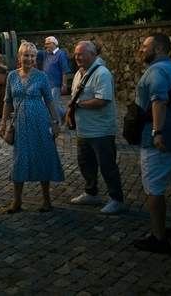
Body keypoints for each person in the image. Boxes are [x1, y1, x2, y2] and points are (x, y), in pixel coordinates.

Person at [132, 32, 171, 254]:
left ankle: (159, 237)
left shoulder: (156, 71)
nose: (141, 49)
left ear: (158, 49)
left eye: (145, 46)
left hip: (159, 140)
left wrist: (157, 132)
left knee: (154, 189)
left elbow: (159, 101)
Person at [0, 42, 64, 213]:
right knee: (19, 159)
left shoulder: (41, 76)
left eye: (32, 56)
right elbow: (7, 101)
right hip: (20, 123)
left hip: (40, 122)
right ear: (19, 57)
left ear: (36, 58)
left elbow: (49, 101)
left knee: (43, 156)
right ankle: (16, 200)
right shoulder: (12, 76)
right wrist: (3, 122)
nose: (29, 59)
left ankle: (46, 198)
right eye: (26, 55)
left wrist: (55, 122)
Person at [68, 41, 128, 215]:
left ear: (93, 55)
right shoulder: (79, 73)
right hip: (84, 129)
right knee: (86, 163)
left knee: (107, 165)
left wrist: (78, 105)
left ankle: (117, 199)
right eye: (76, 53)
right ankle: (91, 192)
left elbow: (102, 100)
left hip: (101, 130)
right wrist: (69, 113)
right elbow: (73, 98)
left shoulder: (102, 74)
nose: (77, 57)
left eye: (81, 54)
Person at [36, 36, 70, 125]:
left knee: (53, 106)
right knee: (46, 104)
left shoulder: (60, 55)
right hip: (46, 84)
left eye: (47, 44)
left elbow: (64, 70)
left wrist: (64, 84)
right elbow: (35, 53)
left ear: (53, 44)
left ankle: (56, 124)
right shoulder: (46, 53)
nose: (45, 45)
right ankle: (64, 113)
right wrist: (26, 43)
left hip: (55, 84)